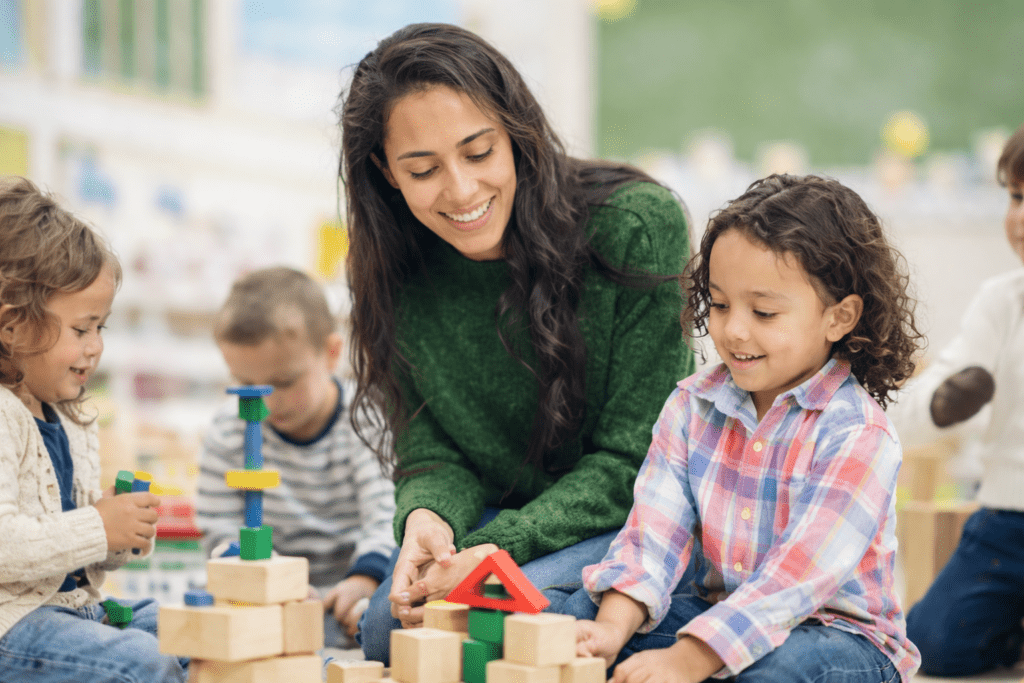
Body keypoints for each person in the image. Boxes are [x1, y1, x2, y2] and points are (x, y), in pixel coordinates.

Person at [338, 23, 695, 663]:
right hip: (500, 530)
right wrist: (428, 519)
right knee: (390, 631)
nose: (461, 190)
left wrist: (503, 544)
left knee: (517, 628)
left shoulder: (636, 225)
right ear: (386, 173)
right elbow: (432, 445)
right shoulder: (395, 270)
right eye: (422, 170)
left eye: (479, 153)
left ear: (516, 134)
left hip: (630, 526)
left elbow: (633, 460)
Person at [573, 174, 924, 683]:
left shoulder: (858, 435)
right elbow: (653, 535)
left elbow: (792, 584)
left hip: (841, 641)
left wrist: (690, 659)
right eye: (718, 304)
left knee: (769, 672)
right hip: (718, 618)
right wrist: (611, 628)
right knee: (580, 622)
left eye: (763, 311)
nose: (734, 330)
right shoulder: (691, 406)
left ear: (839, 317)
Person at [0, 176, 187, 682]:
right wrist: (97, 526)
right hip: (11, 629)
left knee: (196, 629)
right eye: (81, 329)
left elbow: (75, 565)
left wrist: (116, 536)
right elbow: (7, 546)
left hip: (75, 609)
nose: (95, 346)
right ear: (12, 326)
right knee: (144, 664)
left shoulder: (69, 414)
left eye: (100, 327)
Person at [194, 266, 396, 647]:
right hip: (266, 593)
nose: (266, 403)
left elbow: (385, 514)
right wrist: (269, 581)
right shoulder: (228, 428)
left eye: (284, 382)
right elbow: (218, 528)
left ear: (332, 354)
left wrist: (363, 578)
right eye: (245, 386)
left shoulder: (364, 419)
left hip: (348, 592)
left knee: (384, 623)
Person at [888, 122, 1024, 677]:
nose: (1019, 217)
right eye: (1016, 197)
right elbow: (911, 414)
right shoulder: (1002, 302)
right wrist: (945, 403)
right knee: (931, 644)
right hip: (1008, 515)